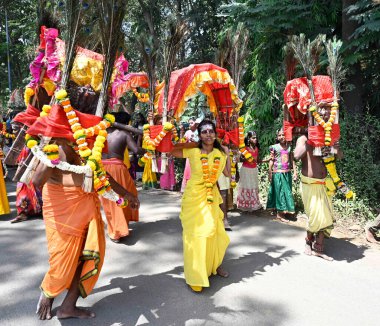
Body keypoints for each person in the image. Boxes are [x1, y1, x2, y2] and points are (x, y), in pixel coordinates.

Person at [27, 104, 140, 320]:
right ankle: (48, 292)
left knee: (86, 256)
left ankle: (68, 306)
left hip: (86, 208)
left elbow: (102, 176)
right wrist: (55, 155)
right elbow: (37, 181)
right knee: (62, 259)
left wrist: (128, 195)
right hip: (63, 211)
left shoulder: (84, 145)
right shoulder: (57, 146)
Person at [171, 119, 230, 292]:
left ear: (215, 133)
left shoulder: (220, 154)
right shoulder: (193, 151)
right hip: (194, 199)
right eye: (204, 132)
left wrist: (228, 154)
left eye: (211, 131)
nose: (208, 134)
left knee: (214, 231)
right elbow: (171, 151)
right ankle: (195, 274)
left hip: (212, 197)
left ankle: (213, 265)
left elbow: (227, 173)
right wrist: (182, 142)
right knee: (196, 235)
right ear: (199, 135)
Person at [101, 112, 144, 242]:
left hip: (102, 168)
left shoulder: (100, 133)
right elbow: (136, 151)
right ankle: (117, 231)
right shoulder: (124, 134)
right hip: (118, 168)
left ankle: (117, 229)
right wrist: (147, 150)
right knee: (124, 195)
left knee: (111, 199)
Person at [294, 134, 337, 261]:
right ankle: (308, 240)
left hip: (323, 183)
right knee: (315, 216)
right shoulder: (303, 138)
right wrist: (310, 141)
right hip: (309, 185)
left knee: (325, 215)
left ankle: (319, 247)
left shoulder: (326, 137)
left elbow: (336, 156)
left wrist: (335, 148)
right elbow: (296, 156)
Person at [266, 129, 297, 222]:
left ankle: (286, 211)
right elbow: (271, 160)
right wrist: (270, 172)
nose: (281, 137)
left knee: (287, 191)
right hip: (277, 173)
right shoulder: (274, 147)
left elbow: (292, 160)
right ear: (277, 137)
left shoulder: (289, 147)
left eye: (283, 135)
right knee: (279, 192)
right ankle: (280, 214)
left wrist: (295, 172)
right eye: (279, 135)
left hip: (287, 173)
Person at [236, 131, 262, 211]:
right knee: (247, 186)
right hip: (246, 170)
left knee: (253, 185)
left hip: (254, 170)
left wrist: (267, 160)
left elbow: (257, 160)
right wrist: (246, 158)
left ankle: (253, 204)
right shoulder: (245, 149)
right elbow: (239, 159)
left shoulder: (256, 148)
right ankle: (245, 204)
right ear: (248, 139)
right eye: (253, 138)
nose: (255, 139)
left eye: (256, 138)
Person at [180, 117, 201, 192]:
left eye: (191, 123)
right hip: (189, 155)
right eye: (189, 123)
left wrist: (194, 140)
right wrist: (182, 132)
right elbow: (182, 142)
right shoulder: (188, 132)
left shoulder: (200, 131)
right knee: (188, 170)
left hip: (198, 155)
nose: (190, 124)